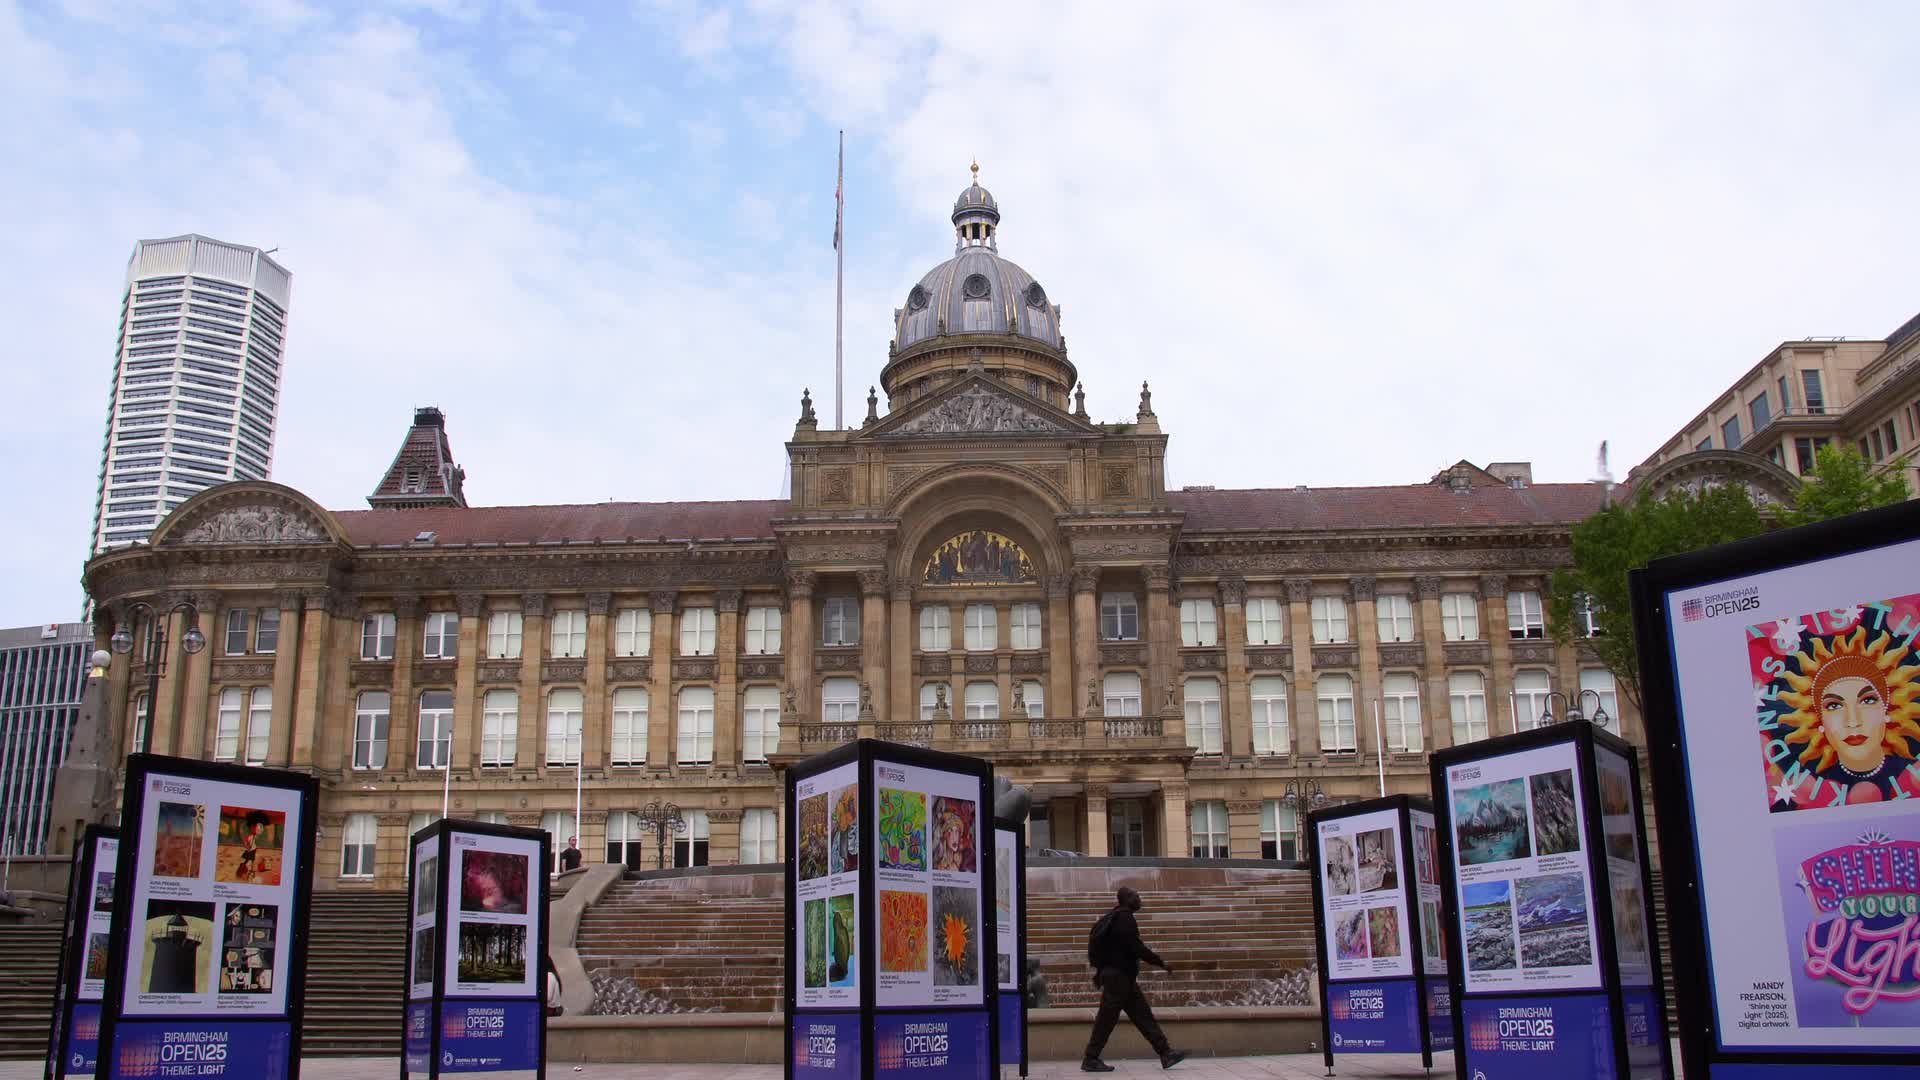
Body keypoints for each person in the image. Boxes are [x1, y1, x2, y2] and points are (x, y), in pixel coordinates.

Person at [1082, 886, 1186, 1071]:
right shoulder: (1124, 919)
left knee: (1143, 1016)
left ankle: (1166, 1053)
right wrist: (1161, 963)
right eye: (1136, 896)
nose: (1139, 899)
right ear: (1127, 899)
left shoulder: (1115, 917)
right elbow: (1137, 948)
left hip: (1121, 978)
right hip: (1118, 978)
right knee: (1107, 1019)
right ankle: (1091, 1058)